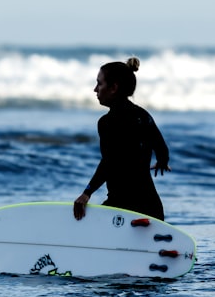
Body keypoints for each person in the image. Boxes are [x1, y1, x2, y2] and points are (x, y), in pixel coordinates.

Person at [73, 57, 170, 221]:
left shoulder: (107, 123)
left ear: (114, 88)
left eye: (99, 84)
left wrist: (87, 193)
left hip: (122, 207)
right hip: (151, 207)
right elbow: (162, 148)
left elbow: (108, 163)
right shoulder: (144, 116)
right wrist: (162, 162)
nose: (95, 89)